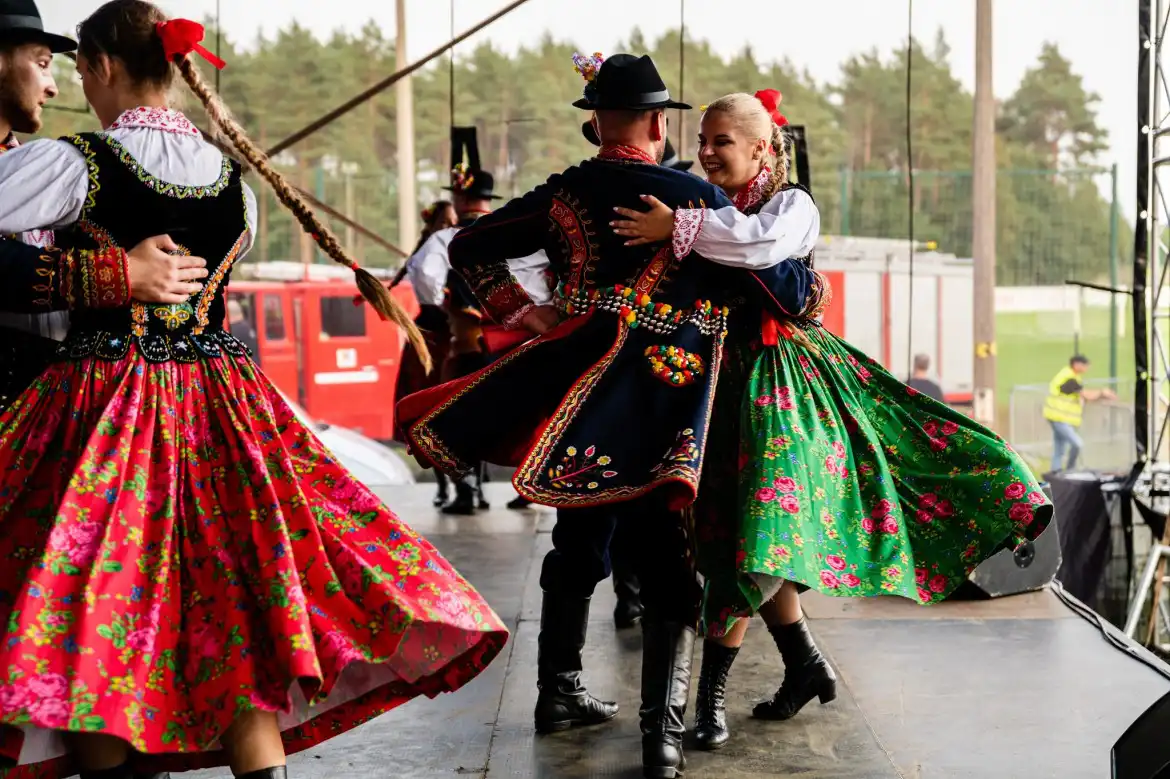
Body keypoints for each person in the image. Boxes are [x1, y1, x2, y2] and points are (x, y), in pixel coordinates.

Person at [0, 4, 508, 779]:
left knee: (97, 605)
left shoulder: (79, 163)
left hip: (110, 410)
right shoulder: (233, 182)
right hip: (221, 405)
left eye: (79, 72)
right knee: (230, 600)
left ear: (101, 66)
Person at [399, 53, 815, 779]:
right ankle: (661, 736)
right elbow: (770, 284)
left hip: (580, 385)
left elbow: (467, 247)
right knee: (669, 562)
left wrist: (525, 312)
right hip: (665, 395)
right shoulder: (692, 198)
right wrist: (807, 288)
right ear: (660, 122)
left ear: (595, 123)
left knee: (578, 534)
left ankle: (557, 692)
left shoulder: (566, 194)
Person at [613, 89, 1054, 752]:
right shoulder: (704, 206)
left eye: (720, 141)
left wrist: (678, 229)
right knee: (742, 534)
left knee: (756, 535)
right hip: (721, 390)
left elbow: (759, 248)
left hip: (783, 388)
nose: (704, 153)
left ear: (762, 147)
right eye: (701, 141)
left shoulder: (788, 208)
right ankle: (806, 664)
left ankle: (708, 701)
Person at [0, 0, 209, 413]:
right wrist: (115, 274)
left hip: (53, 401)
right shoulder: (60, 166)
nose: (55, 87)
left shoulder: (47, 168)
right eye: (43, 64)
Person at [391, 199, 458, 507]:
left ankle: (462, 486)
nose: (449, 227)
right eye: (444, 222)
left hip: (435, 329)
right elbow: (432, 284)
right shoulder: (437, 245)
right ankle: (448, 485)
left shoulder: (432, 246)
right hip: (439, 329)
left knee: (443, 402)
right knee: (433, 403)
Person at [1044, 354, 1114, 471]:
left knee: (1059, 448)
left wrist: (1101, 396)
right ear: (1076, 364)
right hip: (1059, 417)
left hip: (1058, 417)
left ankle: (1055, 471)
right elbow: (1086, 394)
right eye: (1085, 365)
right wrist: (1102, 393)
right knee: (1077, 444)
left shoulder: (1071, 376)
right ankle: (1070, 469)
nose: (1087, 368)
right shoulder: (1069, 377)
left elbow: (1083, 396)